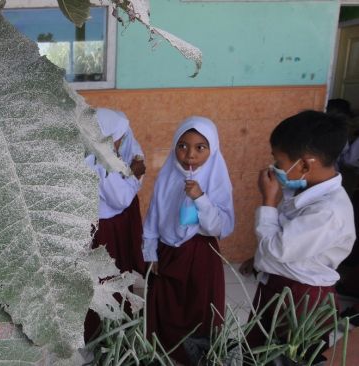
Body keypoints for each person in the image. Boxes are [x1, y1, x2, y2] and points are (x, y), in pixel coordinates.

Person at [240, 111, 355, 355]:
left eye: (278, 163)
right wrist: (259, 259)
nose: (273, 168)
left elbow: (279, 247)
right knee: (258, 351)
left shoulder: (328, 212)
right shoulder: (304, 189)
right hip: (279, 284)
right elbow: (287, 237)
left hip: (302, 298)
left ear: (304, 164)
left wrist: (268, 200)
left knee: (288, 356)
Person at [142, 116, 234, 365]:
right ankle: (164, 352)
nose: (189, 154)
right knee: (166, 304)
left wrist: (200, 198)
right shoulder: (168, 174)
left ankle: (197, 356)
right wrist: (150, 252)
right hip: (167, 251)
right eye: (182, 145)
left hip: (200, 254)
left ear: (212, 150)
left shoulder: (216, 178)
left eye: (200, 148)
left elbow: (220, 227)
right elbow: (154, 215)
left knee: (198, 306)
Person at [83, 108, 146, 341]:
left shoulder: (95, 149)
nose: (122, 141)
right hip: (105, 228)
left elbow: (134, 148)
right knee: (108, 277)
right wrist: (134, 176)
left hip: (104, 224)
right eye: (117, 138)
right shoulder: (98, 163)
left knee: (108, 276)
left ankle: (109, 326)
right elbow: (120, 198)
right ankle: (106, 332)